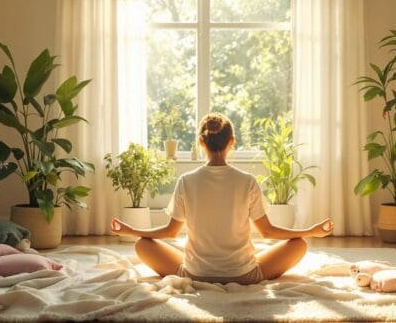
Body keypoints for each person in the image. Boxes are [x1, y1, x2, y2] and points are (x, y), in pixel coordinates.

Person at [110, 113, 333, 285]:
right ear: (232, 141)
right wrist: (310, 231)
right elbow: (268, 232)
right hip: (244, 275)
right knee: (298, 245)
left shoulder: (186, 181)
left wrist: (130, 231)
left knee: (142, 245)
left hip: (195, 275)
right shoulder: (247, 181)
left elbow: (170, 232)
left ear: (200, 142)